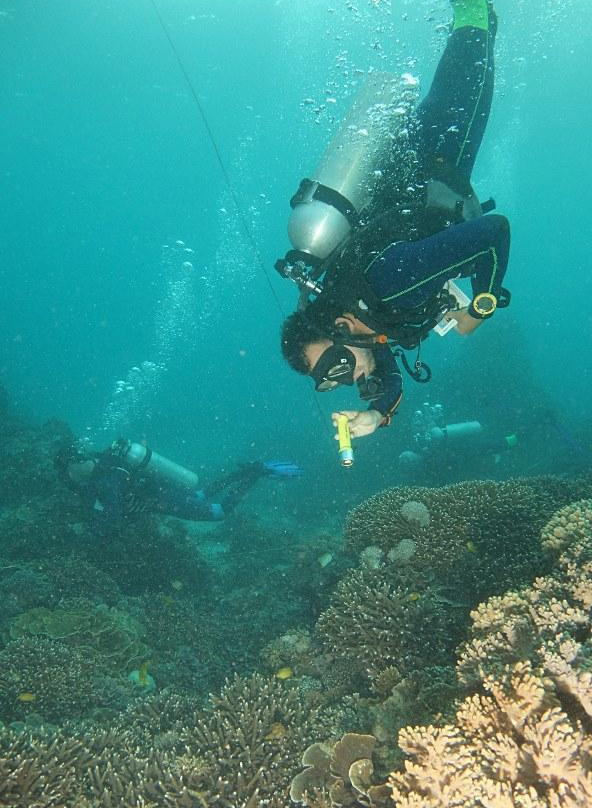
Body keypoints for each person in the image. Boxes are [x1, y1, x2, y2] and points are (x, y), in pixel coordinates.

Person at [278, 0, 510, 441]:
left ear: (342, 328)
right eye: (332, 379)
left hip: (439, 154)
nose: (347, 379)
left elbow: (494, 233)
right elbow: (386, 371)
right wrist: (375, 415)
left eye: (336, 366)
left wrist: (483, 303)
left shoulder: (387, 285)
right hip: (422, 164)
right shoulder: (363, 315)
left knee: (473, 50)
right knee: (477, 48)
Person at [54, 439, 301, 523]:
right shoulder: (106, 462)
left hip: (161, 499)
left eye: (68, 472)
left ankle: (255, 473)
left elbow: (113, 517)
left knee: (219, 512)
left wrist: (95, 523)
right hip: (161, 490)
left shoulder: (103, 480)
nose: (69, 478)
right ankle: (244, 473)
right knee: (201, 494)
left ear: (74, 464)